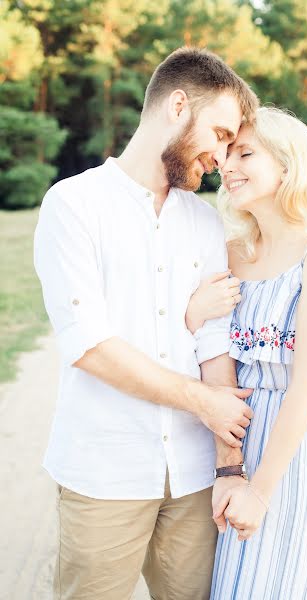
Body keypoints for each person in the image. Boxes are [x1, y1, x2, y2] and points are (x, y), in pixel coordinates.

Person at [34, 47, 259, 600]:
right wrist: (204, 403)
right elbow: (89, 345)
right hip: (103, 472)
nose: (222, 157)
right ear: (178, 106)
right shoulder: (73, 204)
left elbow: (213, 339)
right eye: (221, 134)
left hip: (192, 477)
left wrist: (228, 466)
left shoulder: (205, 222)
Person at [185, 106, 307, 599]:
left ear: (288, 165)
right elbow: (201, 343)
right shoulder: (231, 252)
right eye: (225, 154)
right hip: (229, 439)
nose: (227, 165)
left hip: (290, 454)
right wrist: (195, 312)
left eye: (245, 153)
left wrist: (260, 491)